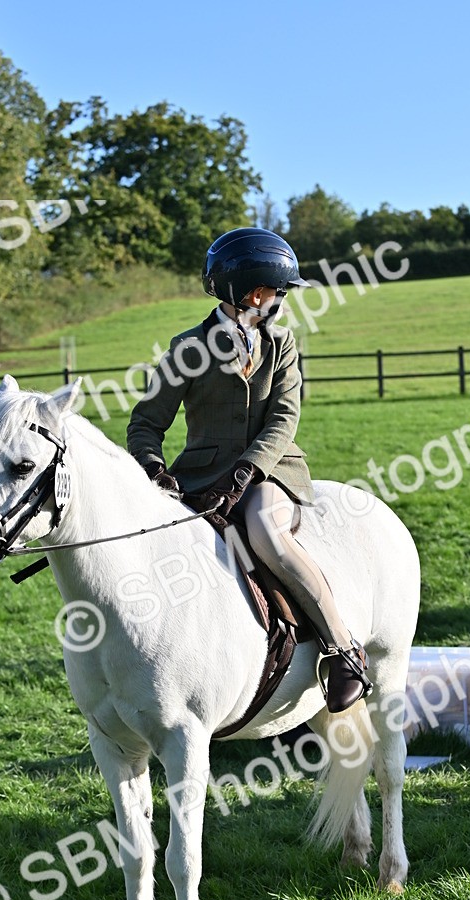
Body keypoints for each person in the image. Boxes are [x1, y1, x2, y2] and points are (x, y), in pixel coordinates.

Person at [126, 226, 371, 713]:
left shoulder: (282, 345)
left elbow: (284, 417)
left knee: (264, 532)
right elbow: (146, 422)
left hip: (272, 471)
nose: (277, 299)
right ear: (243, 291)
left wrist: (247, 470)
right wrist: (153, 468)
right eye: (271, 290)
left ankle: (343, 649)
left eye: (278, 292)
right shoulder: (187, 348)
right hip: (198, 478)